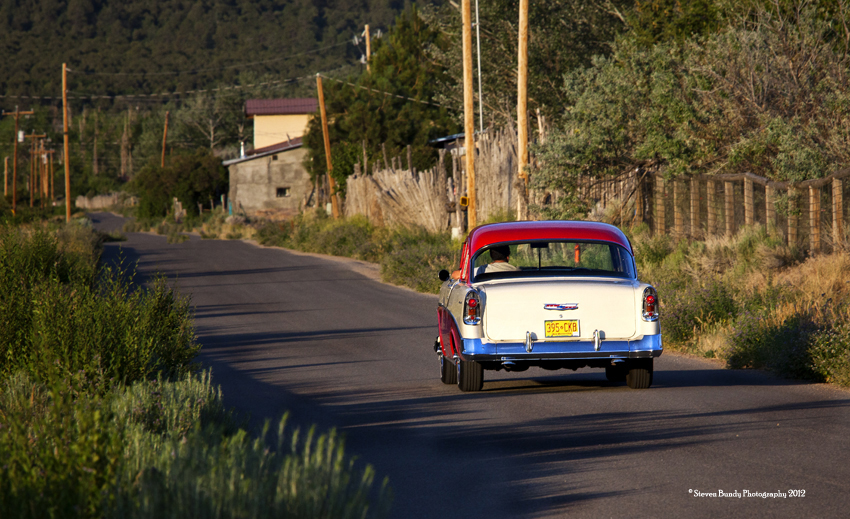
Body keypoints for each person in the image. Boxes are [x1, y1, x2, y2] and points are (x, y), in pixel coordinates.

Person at [451, 245, 518, 279]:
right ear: (508, 257)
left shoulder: (482, 270)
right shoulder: (516, 270)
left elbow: (455, 275)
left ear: (491, 256)